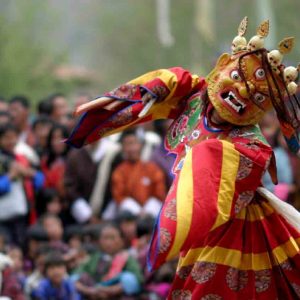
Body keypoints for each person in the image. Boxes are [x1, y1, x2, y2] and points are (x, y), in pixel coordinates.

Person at [67, 17, 300, 298]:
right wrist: (140, 93)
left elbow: (210, 175)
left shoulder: (252, 148)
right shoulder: (196, 96)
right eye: (237, 78)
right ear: (223, 65)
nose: (241, 93)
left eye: (258, 98)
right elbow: (176, 82)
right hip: (197, 231)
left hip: (234, 234)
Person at [0, 123, 44, 244]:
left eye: (14, 137)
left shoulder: (22, 158)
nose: (11, 141)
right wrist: (11, 176)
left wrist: (30, 174)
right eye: (6, 138)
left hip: (23, 211)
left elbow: (40, 180)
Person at [74, 222, 143, 299]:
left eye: (112, 238)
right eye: (105, 238)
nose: (108, 243)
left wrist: (109, 290)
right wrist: (89, 291)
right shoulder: (94, 258)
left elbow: (136, 280)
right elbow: (75, 277)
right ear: (99, 241)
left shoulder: (127, 258)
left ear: (121, 240)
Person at [111, 129, 166, 217]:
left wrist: (147, 210)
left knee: (154, 203)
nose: (132, 148)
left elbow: (160, 194)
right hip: (129, 216)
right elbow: (119, 197)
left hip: (150, 214)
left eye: (134, 143)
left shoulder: (152, 168)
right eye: (128, 144)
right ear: (123, 148)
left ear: (140, 145)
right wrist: (137, 211)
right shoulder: (119, 171)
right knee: (126, 204)